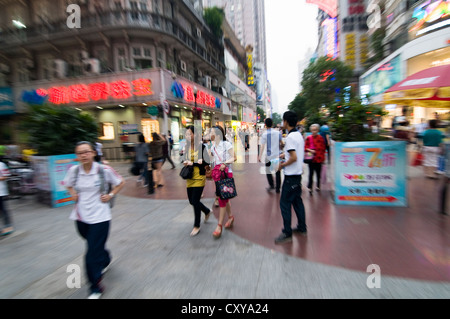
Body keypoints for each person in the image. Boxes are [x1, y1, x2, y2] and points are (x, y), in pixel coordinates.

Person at [63, 141, 125, 299]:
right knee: (94, 246)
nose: (83, 155)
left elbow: (120, 182)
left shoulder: (103, 170)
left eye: (86, 152)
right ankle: (105, 258)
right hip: (80, 217)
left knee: (90, 254)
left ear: (93, 153)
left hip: (100, 217)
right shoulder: (74, 171)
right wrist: (72, 193)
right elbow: (68, 184)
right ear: (77, 156)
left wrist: (110, 195)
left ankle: (95, 287)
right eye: (80, 153)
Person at [274, 111, 307, 244]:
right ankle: (302, 227)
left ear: (286, 121)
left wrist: (282, 165)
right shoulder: (298, 135)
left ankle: (287, 232)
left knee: (285, 204)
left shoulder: (290, 138)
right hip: (297, 176)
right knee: (297, 202)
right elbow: (293, 153)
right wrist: (284, 156)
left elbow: (294, 157)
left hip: (290, 177)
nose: (282, 123)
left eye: (283, 121)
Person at [183, 125, 212, 236]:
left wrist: (197, 162)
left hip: (199, 177)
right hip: (190, 177)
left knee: (195, 201)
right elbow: (185, 159)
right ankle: (206, 211)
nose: (188, 136)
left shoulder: (201, 147)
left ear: (195, 134)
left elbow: (207, 161)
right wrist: (185, 162)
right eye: (187, 134)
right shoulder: (186, 147)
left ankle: (197, 225)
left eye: (190, 133)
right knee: (191, 201)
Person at [210, 125, 235, 239]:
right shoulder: (212, 146)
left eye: (211, 133)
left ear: (218, 134)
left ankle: (219, 225)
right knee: (224, 197)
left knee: (222, 200)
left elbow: (234, 157)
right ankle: (230, 217)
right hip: (217, 175)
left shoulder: (226, 144)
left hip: (225, 173)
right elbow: (212, 158)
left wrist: (224, 163)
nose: (210, 134)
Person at [258, 118, 282, 193]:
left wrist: (259, 155)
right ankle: (278, 188)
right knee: (277, 172)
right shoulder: (278, 133)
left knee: (268, 171)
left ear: (265, 125)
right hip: (277, 155)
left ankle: (271, 185)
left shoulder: (264, 134)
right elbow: (281, 143)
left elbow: (262, 146)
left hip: (268, 156)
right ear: (272, 124)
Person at [305, 124, 326, 195]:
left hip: (319, 159)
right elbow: (305, 148)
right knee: (311, 174)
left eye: (316, 130)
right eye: (313, 130)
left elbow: (323, 149)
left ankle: (318, 186)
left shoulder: (321, 138)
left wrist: (323, 159)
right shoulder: (308, 138)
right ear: (311, 130)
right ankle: (310, 187)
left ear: (318, 130)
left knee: (318, 174)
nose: (314, 131)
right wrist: (310, 150)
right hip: (311, 160)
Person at [0, 160, 13, 236]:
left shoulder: (1, 164)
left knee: (3, 210)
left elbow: (6, 176)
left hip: (0, 192)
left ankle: (8, 227)